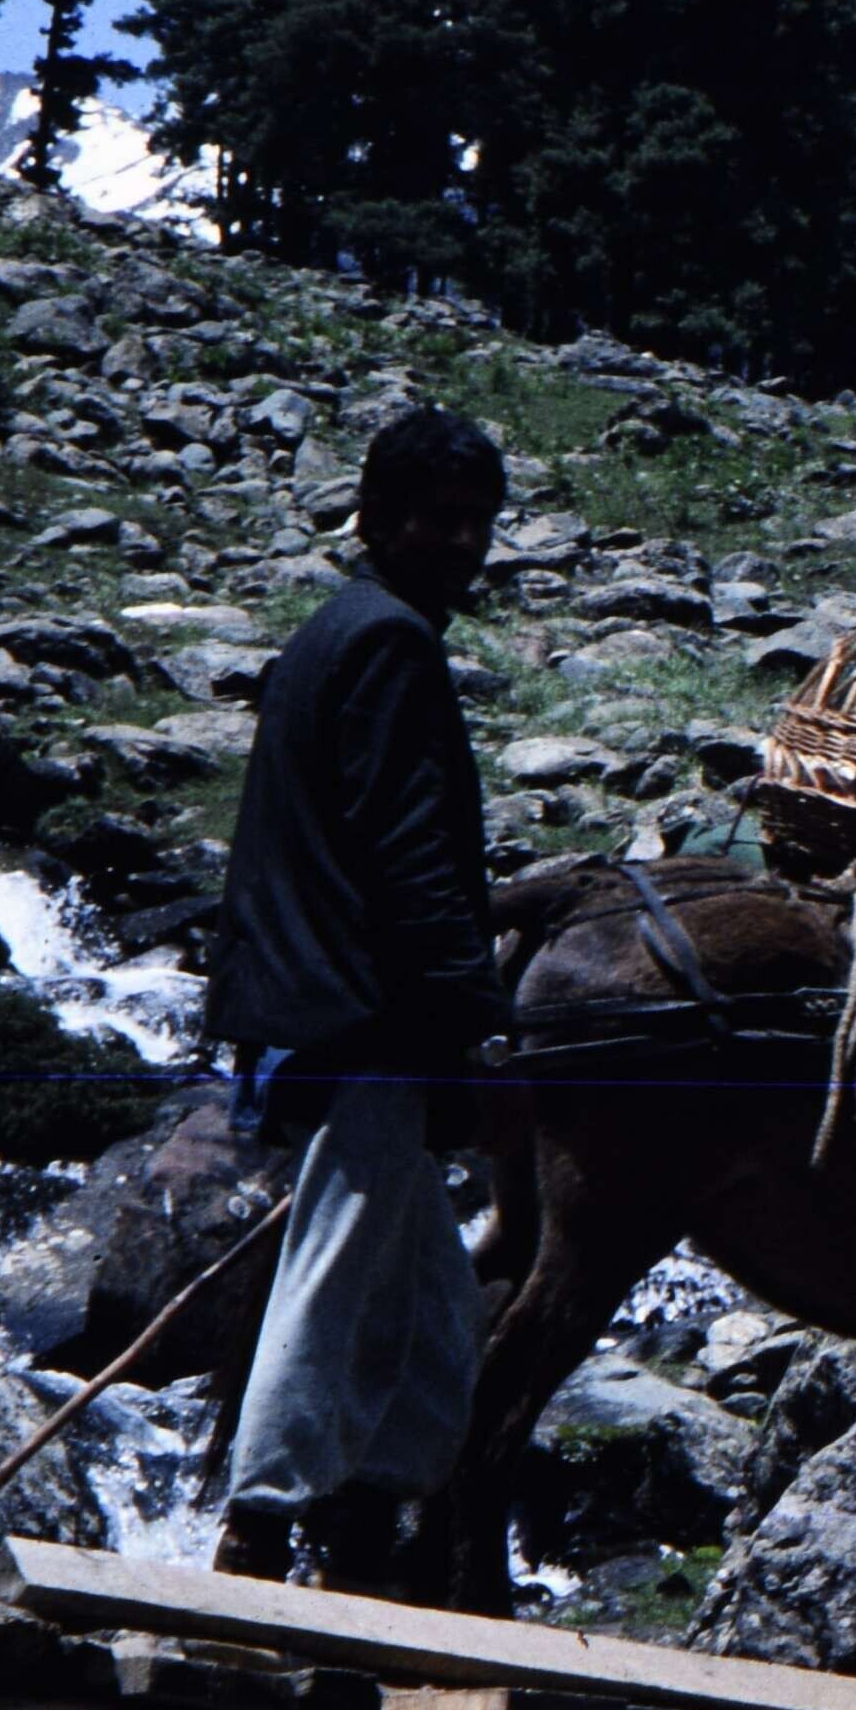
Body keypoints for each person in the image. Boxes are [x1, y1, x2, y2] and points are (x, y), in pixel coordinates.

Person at [208, 407, 511, 1593]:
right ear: (377, 518)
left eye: (478, 522)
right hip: (365, 1016)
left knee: (436, 1310)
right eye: (440, 519)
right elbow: (407, 851)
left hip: (317, 1005)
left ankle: (369, 1533)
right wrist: (472, 1014)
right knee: (335, 1271)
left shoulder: (334, 632)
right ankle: (261, 1520)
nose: (463, 543)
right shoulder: (389, 643)